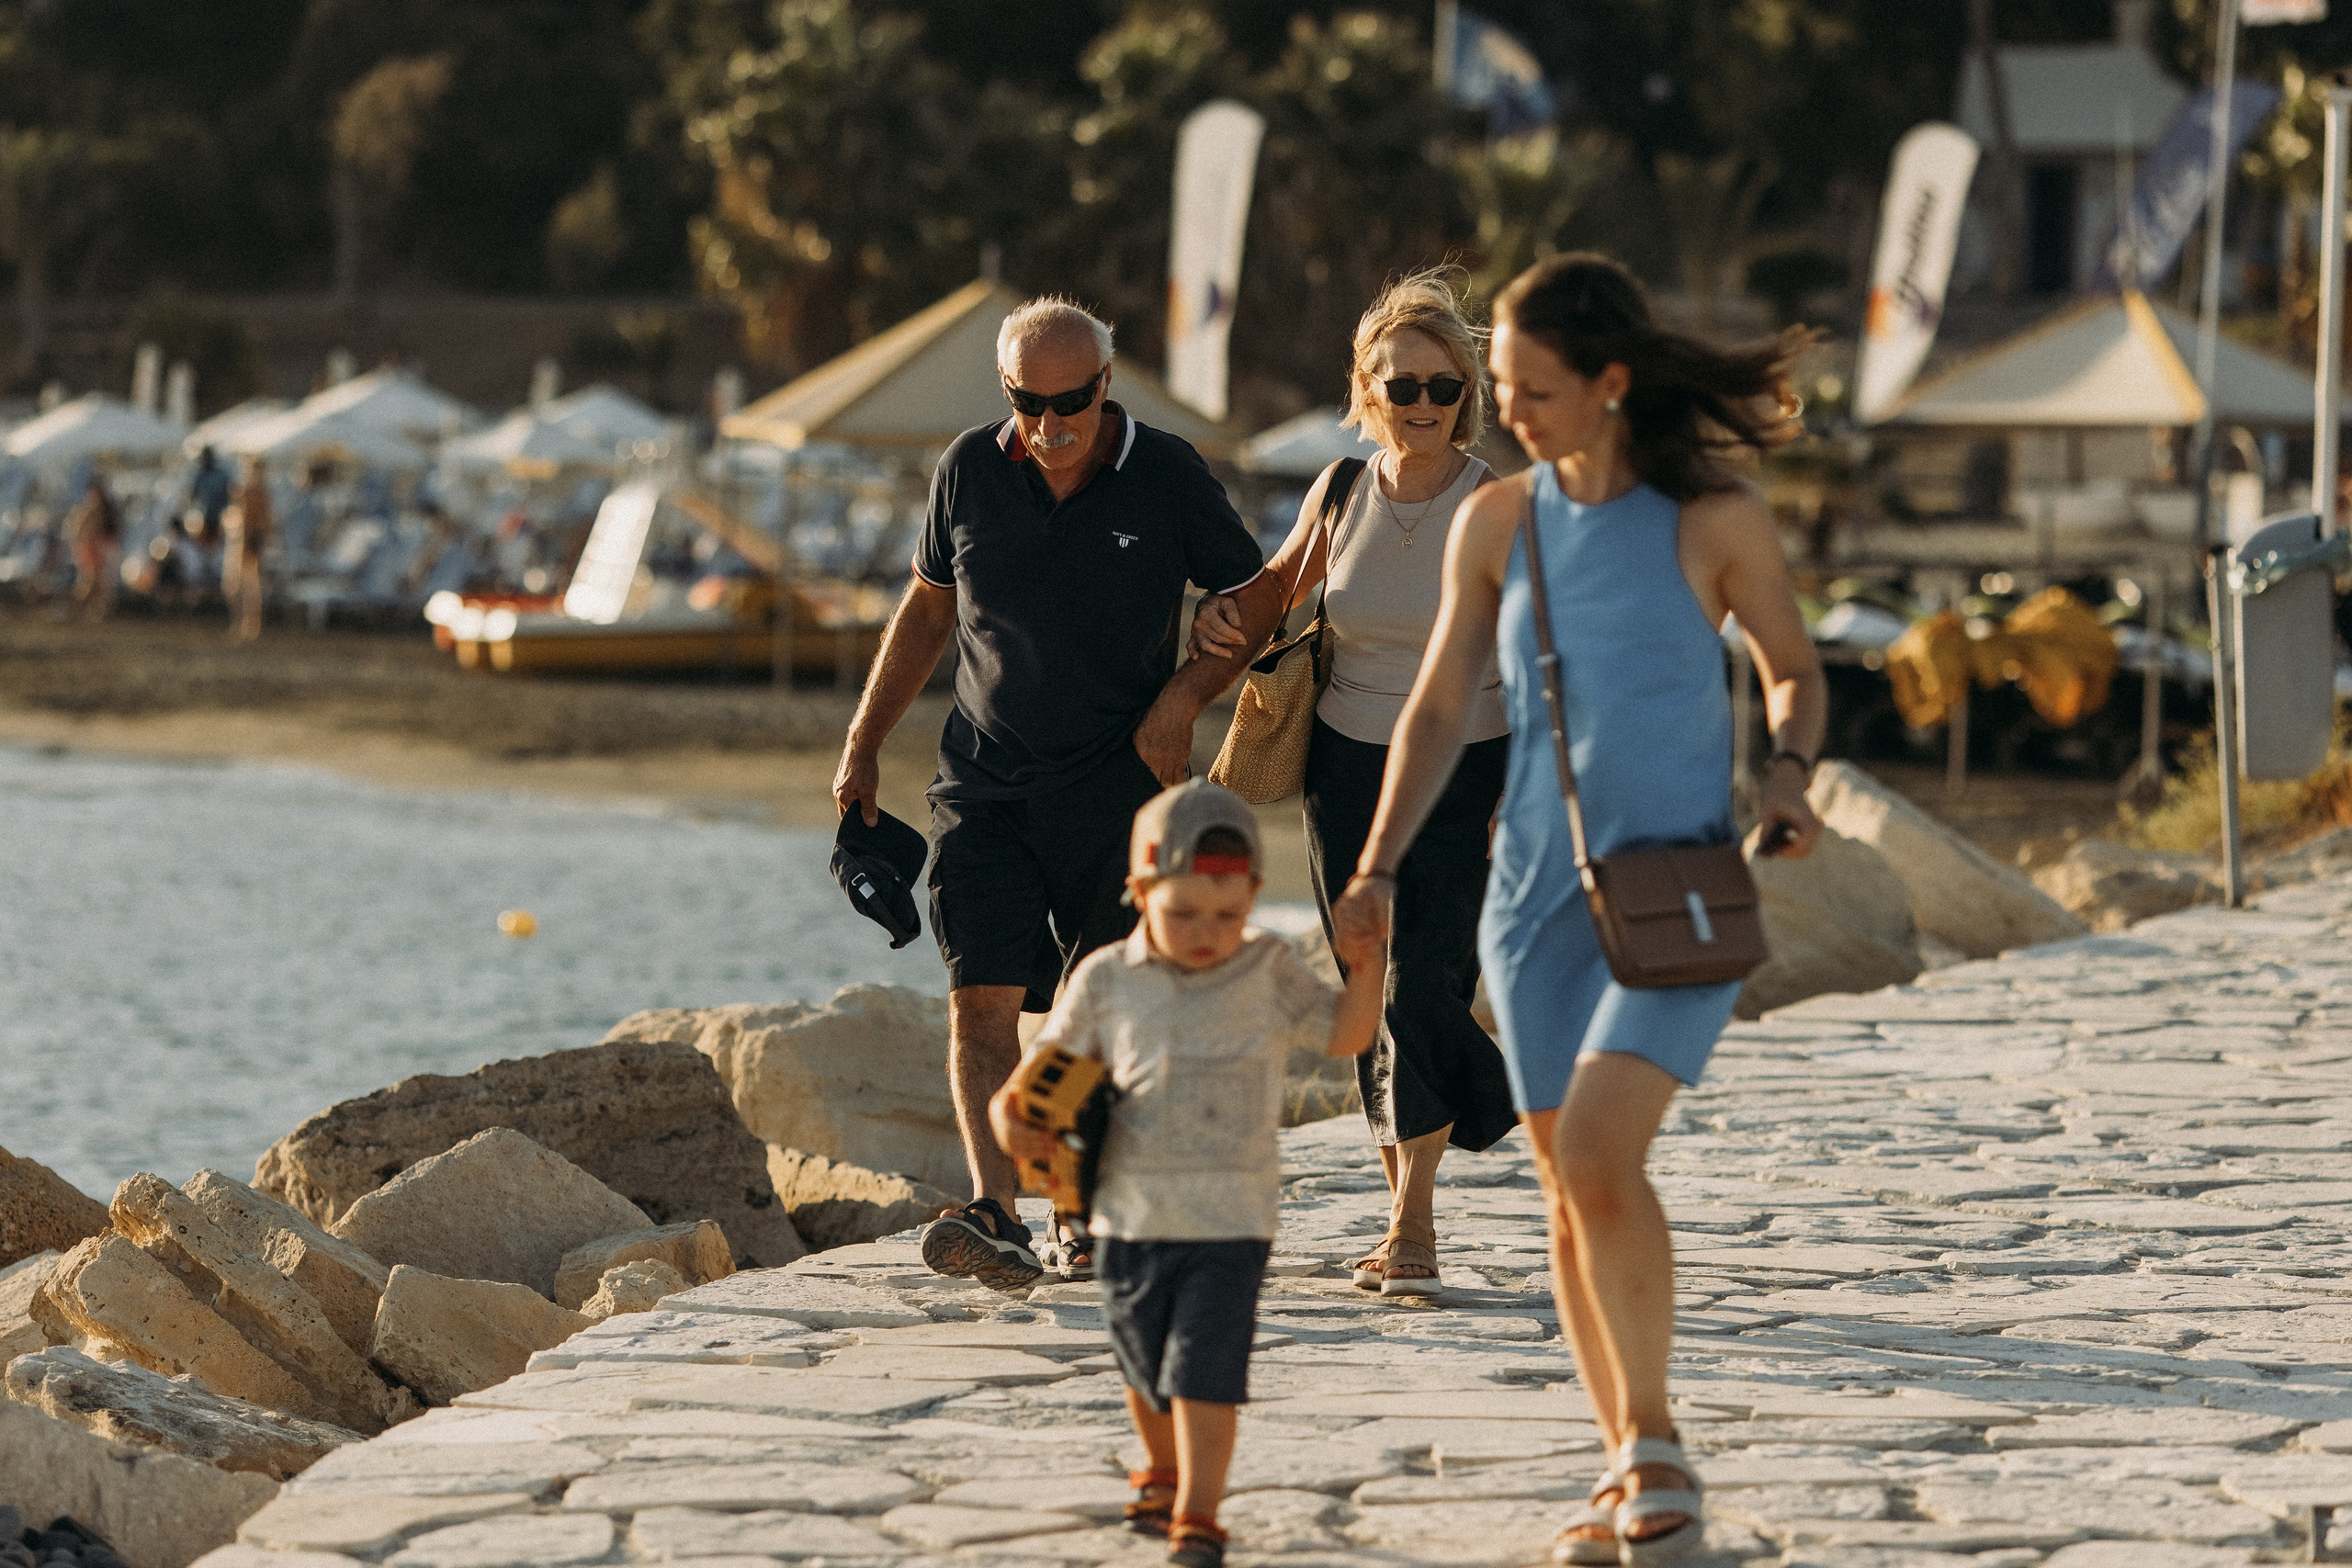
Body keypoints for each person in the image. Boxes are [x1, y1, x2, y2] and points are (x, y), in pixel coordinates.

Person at [1330, 253, 1827, 1566]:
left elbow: (1792, 667)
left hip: (1676, 895)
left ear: (1611, 382)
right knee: (1565, 1190)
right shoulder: (1502, 524)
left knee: (1602, 1158)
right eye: (1503, 389)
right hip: (1533, 901)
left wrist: (1786, 771)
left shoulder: (1710, 516)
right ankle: (1624, 1462)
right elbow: (1437, 707)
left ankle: (1654, 1444)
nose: (1514, 413)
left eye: (1531, 391)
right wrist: (1376, 865)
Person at [832, 297, 1285, 1290]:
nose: (1050, 424)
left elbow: (1256, 602)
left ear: (1106, 385)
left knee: (1096, 1016)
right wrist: (864, 743)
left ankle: (1080, 1207)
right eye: (1029, 403)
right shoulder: (965, 469)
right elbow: (927, 608)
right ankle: (997, 1209)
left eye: (1071, 400)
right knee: (978, 1005)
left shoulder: (1165, 473)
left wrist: (1184, 698)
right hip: (981, 785)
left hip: (1122, 791)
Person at [1191, 269, 1513, 1298]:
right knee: (1371, 983)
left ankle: (1412, 1223)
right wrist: (1211, 620)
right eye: (1402, 386)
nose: (1423, 405)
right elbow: (1273, 593)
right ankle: (1417, 1182)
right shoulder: (1338, 491)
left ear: (1469, 392)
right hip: (1344, 760)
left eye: (1443, 387)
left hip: (1467, 764)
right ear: (1368, 390)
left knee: (1427, 976)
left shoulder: (1500, 503)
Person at [988, 781, 1384, 1568]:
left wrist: (1367, 963)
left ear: (1254, 898)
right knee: (1144, 1364)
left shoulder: (1267, 967)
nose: (1208, 933)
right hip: (1127, 1216)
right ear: (1138, 892)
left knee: (1204, 1367)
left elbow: (1343, 1034)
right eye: (1184, 914)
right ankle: (1163, 1467)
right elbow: (1039, 1087)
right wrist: (1016, 1124)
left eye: (1227, 914)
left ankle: (1199, 1514)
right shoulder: (1107, 979)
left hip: (1232, 1218)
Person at [223, 456, 272, 641]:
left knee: (251, 587)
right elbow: (232, 518)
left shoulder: (259, 493)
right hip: (237, 542)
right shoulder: (242, 491)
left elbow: (266, 523)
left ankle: (250, 626)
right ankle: (240, 623)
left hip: (250, 543)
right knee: (233, 587)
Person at [64, 474, 122, 620]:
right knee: (92, 582)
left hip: (101, 549)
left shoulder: (101, 508)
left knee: (100, 583)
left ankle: (95, 611)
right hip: (93, 549)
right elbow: (80, 532)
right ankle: (78, 610)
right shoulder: (90, 509)